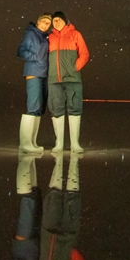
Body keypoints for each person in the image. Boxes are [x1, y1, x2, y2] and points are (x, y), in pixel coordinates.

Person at [47, 11, 89, 154]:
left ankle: (75, 144)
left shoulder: (75, 34)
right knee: (56, 109)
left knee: (74, 108)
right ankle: (59, 143)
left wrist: (74, 68)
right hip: (54, 80)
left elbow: (84, 54)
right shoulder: (49, 38)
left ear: (65, 21)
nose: (56, 22)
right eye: (54, 20)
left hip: (72, 79)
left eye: (59, 19)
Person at [17, 13, 52, 153]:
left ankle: (32, 142)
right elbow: (20, 51)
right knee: (33, 106)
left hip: (43, 74)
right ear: (38, 22)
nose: (45, 25)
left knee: (39, 108)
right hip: (33, 73)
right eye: (43, 22)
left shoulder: (44, 37)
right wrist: (35, 57)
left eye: (48, 23)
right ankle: (25, 144)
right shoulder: (31, 34)